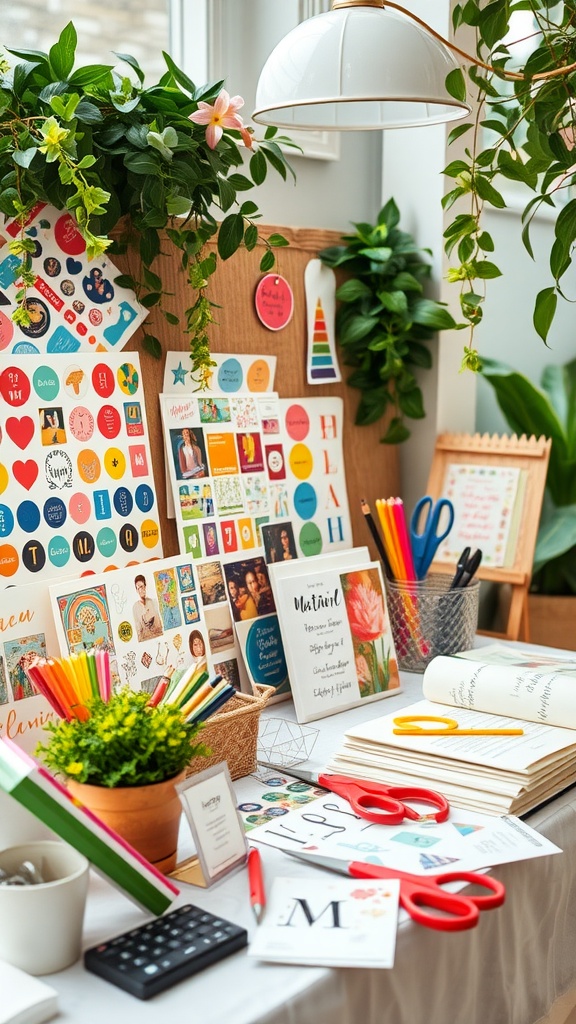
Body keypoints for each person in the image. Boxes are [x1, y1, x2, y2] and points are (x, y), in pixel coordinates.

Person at [132, 575, 163, 641]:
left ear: (145, 587)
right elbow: (139, 631)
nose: (141, 590)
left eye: (142, 587)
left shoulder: (152, 602)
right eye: (138, 588)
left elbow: (159, 626)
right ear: (136, 590)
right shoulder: (135, 607)